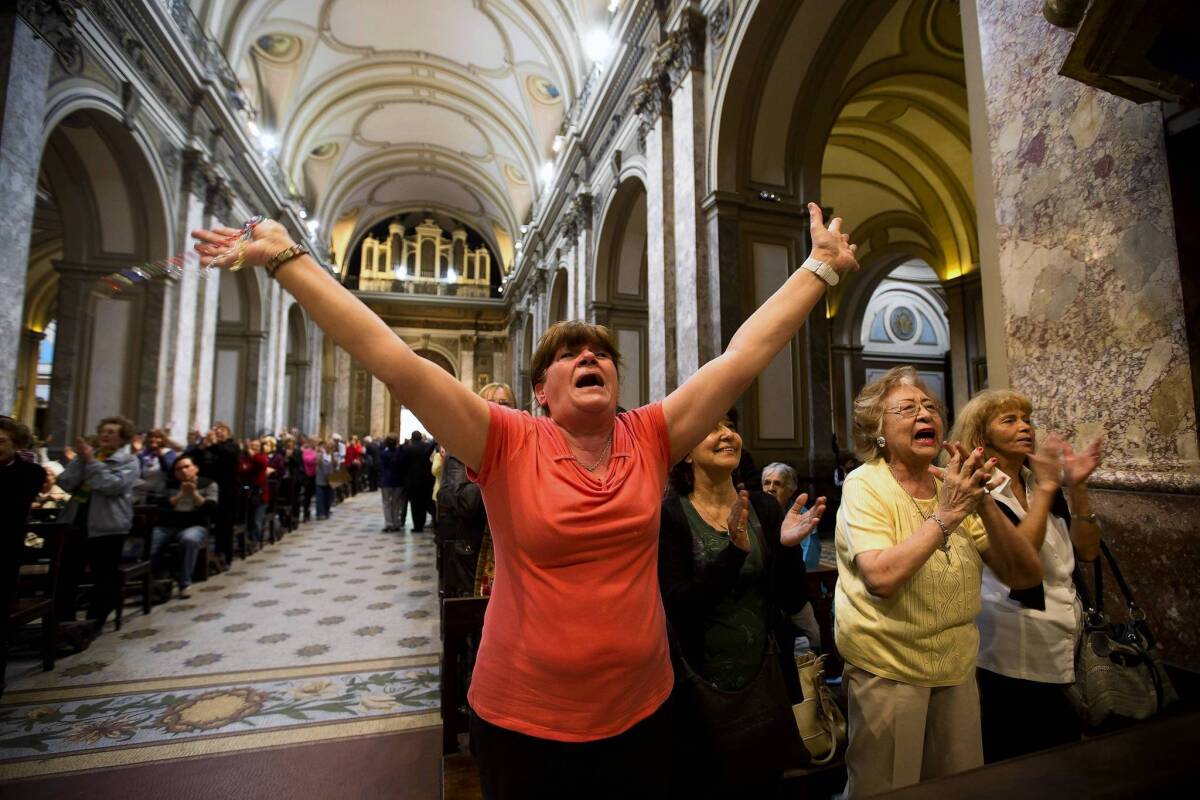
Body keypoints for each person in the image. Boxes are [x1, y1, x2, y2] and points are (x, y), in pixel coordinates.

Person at [193, 199, 859, 797]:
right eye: (568, 354)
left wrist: (818, 271)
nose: (587, 356)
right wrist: (284, 256)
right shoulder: (506, 441)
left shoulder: (650, 436)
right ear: (542, 388)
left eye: (599, 351)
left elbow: (741, 357)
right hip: (525, 719)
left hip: (646, 708)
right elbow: (391, 356)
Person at [834, 367, 1044, 798]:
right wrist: (947, 516)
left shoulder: (953, 483)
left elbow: (1024, 575)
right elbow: (881, 577)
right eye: (906, 409)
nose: (923, 414)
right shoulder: (865, 484)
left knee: (960, 787)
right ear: (878, 430)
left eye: (929, 406)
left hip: (957, 667)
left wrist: (984, 503)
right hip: (888, 671)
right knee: (888, 788)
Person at [659, 412, 822, 792]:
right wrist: (732, 554)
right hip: (697, 686)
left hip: (764, 678)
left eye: (730, 426)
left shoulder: (764, 508)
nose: (727, 434)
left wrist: (787, 550)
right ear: (685, 452)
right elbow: (678, 605)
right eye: (711, 427)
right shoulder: (670, 515)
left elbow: (789, 598)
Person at [947, 390, 1102, 762]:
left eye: (1026, 419)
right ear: (982, 437)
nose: (1025, 427)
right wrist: (1050, 487)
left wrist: (1076, 486)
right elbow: (1022, 565)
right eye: (1010, 420)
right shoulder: (979, 490)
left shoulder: (1037, 482)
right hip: (1012, 650)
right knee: (1023, 760)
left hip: (1066, 637)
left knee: (1067, 756)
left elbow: (1087, 552)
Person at [56, 416, 141, 634]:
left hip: (108, 525)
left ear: (122, 438)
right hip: (76, 521)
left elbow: (112, 486)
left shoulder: (129, 461)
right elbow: (65, 482)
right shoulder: (86, 457)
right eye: (103, 430)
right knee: (67, 574)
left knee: (103, 576)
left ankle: (95, 622)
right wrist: (81, 461)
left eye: (112, 432)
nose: (105, 434)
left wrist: (92, 462)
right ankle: (64, 620)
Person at [761, 461, 824, 652]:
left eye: (777, 484)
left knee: (815, 640)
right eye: (767, 483)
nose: (770, 489)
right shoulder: (756, 513)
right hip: (764, 593)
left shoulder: (803, 517)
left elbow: (809, 560)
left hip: (794, 593)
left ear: (791, 490)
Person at [151, 456, 218, 599]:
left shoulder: (208, 483)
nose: (183, 471)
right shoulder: (168, 485)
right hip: (169, 525)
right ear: (175, 473)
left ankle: (184, 583)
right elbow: (161, 507)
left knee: (189, 539)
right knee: (152, 540)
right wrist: (181, 495)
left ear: (195, 468)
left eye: (187, 467)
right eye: (179, 469)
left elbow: (210, 508)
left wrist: (194, 494)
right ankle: (157, 579)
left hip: (196, 525)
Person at [400, 431, 435, 532]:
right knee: (423, 503)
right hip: (426, 480)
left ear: (412, 438)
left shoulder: (407, 449)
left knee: (415, 505)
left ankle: (417, 526)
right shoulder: (427, 446)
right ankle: (423, 523)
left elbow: (403, 464)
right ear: (420, 438)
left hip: (411, 481)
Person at [238, 438, 270, 546]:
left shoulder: (261, 457)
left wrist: (253, 455)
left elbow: (262, 464)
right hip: (247, 492)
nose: (254, 448)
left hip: (260, 494)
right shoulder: (244, 458)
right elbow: (242, 470)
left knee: (256, 519)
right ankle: (246, 541)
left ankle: (255, 541)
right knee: (248, 518)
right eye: (252, 445)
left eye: (257, 446)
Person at [379, 434, 405, 531]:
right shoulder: (400, 453)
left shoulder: (383, 454)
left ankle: (389, 523)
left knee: (386, 503)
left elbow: (381, 467)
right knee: (396, 503)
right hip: (398, 481)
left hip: (386, 481)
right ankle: (396, 523)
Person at [314, 440, 337, 520]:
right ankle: (320, 514)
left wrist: (332, 455)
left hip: (330, 479)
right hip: (320, 478)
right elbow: (318, 463)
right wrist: (320, 457)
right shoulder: (320, 454)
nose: (329, 447)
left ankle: (326, 512)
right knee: (320, 497)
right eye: (327, 445)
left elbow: (335, 465)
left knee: (328, 497)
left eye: (331, 446)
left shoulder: (333, 455)